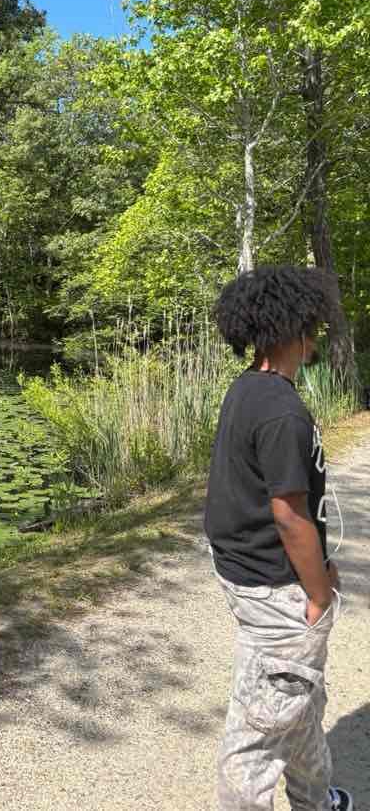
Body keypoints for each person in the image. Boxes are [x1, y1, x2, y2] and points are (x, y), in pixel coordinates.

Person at [205, 265, 353, 811]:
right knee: (257, 737)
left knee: (299, 699)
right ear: (292, 327)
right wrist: (317, 592)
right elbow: (289, 516)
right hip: (277, 591)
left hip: (253, 577)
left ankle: (316, 801)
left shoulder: (248, 390)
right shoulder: (281, 411)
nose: (314, 335)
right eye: (311, 325)